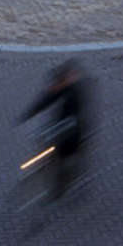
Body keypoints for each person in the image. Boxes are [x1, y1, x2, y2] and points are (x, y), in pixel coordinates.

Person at [19, 61, 91, 198]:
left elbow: (74, 118)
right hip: (60, 125)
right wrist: (28, 114)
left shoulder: (74, 94)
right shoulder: (59, 88)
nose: (54, 87)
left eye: (57, 83)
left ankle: (63, 186)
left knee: (64, 159)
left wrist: (59, 129)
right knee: (50, 151)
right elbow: (45, 101)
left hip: (73, 133)